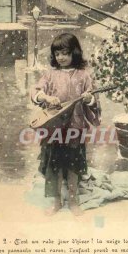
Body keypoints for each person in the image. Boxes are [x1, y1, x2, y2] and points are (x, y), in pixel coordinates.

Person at [31, 33, 101, 216]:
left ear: (74, 53)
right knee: (54, 166)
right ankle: (56, 202)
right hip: (53, 129)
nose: (60, 57)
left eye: (65, 53)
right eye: (57, 54)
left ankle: (73, 200)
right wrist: (45, 97)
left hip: (75, 128)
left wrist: (89, 99)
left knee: (73, 166)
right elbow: (36, 92)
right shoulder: (50, 74)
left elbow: (95, 102)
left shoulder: (84, 76)